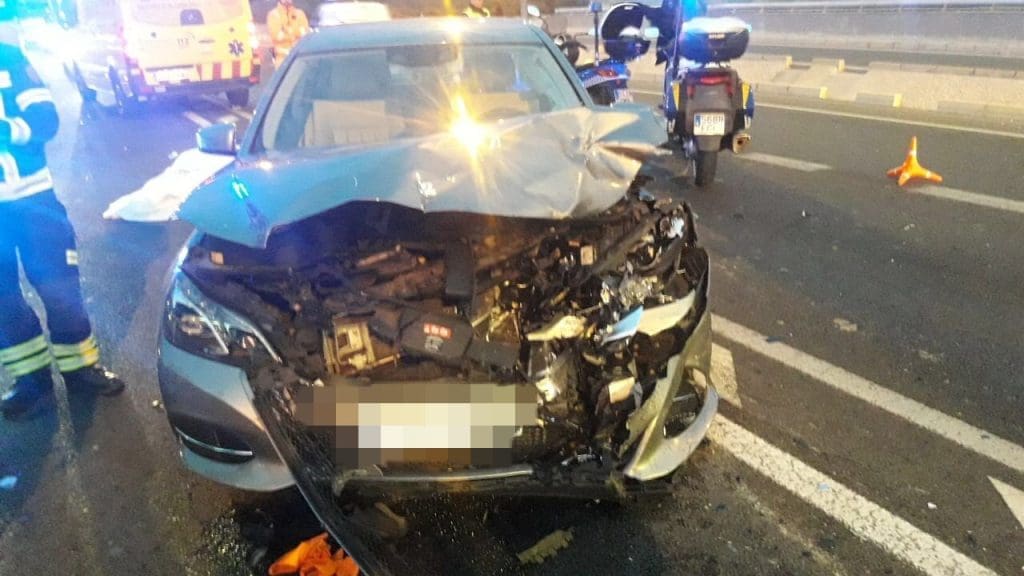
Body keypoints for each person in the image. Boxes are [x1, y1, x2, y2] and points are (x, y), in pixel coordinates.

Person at [0, 8, 125, 420]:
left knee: (59, 288)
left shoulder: (9, 59)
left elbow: (45, 119)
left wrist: (7, 129)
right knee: (2, 303)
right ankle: (30, 382)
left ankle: (81, 371)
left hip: (33, 202)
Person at [267, 0, 309, 66]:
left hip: (298, 57)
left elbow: (305, 34)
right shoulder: (274, 15)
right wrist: (296, 33)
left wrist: (286, 31)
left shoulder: (300, 14)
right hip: (282, 58)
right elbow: (277, 36)